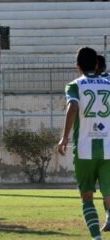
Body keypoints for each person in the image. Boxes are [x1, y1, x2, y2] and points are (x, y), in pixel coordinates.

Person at [58, 47, 110, 240]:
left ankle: (96, 238)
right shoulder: (109, 83)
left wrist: (64, 137)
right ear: (96, 65)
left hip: (84, 149)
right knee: (109, 192)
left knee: (86, 196)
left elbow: (73, 106)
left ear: (77, 66)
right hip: (108, 148)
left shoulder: (74, 85)